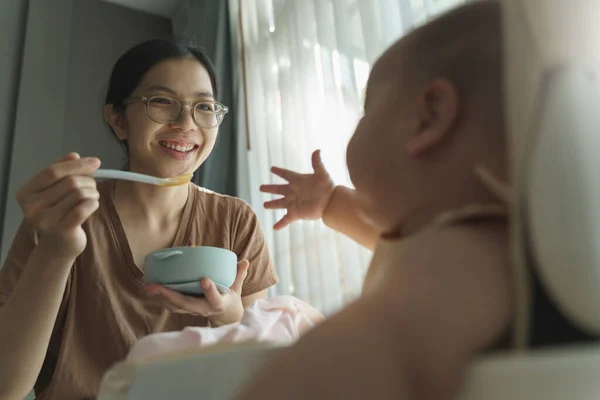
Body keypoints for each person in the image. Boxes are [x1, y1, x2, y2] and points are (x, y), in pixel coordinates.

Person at [237, 1, 512, 399]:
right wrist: (328, 201)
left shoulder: (458, 259)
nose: (359, 123)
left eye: (367, 111)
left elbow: (351, 354)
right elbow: (379, 234)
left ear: (429, 117)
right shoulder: (458, 238)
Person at [0, 39, 278, 400]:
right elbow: (6, 387)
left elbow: (261, 373)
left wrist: (229, 316)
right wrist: (56, 250)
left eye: (204, 107)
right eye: (162, 102)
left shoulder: (236, 221)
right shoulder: (60, 217)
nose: (186, 124)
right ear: (117, 119)